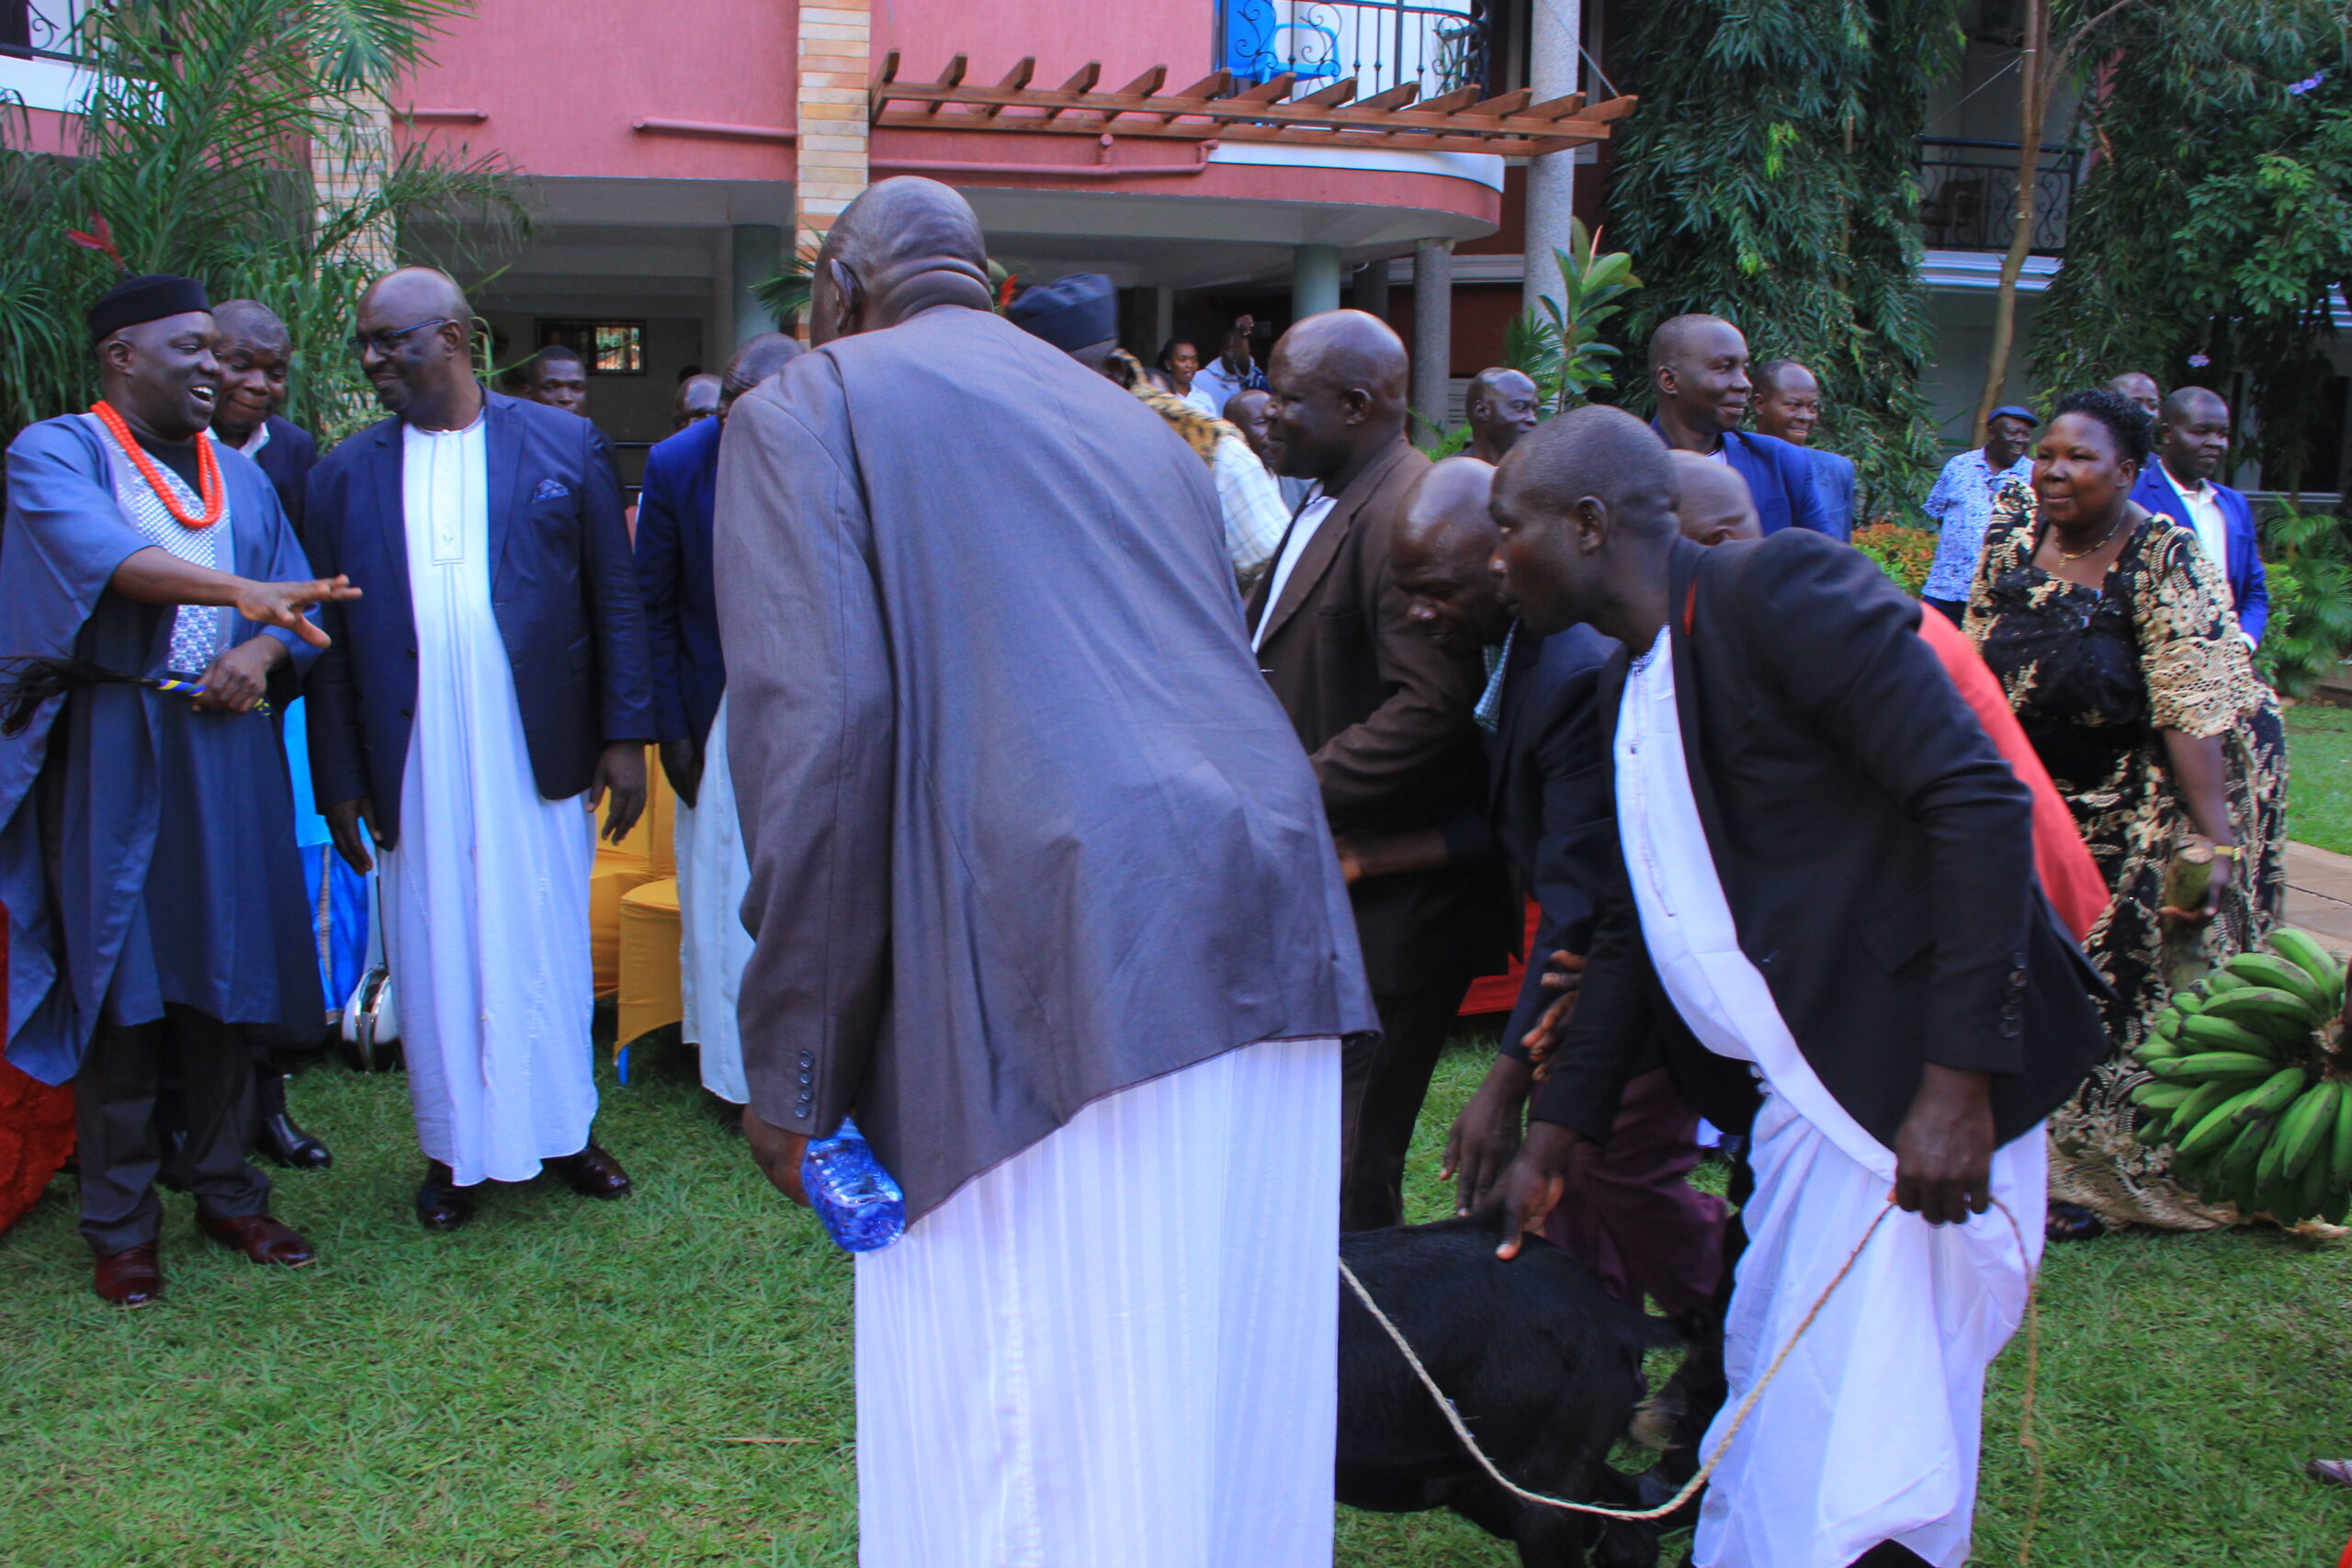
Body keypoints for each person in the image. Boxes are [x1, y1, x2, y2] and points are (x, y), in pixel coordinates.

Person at [718, 175, 1374, 1568]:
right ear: (989, 283)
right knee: (1222, 1401)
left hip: (1054, 966)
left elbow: (824, 735)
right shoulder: (1142, 426)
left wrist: (794, 1072)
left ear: (837, 293)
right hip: (1262, 919)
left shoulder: (808, 399)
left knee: (1030, 1440)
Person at [1487, 403, 2109, 1568]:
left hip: (1897, 1097)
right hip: (1804, 1104)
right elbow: (1637, 924)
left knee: (1863, 1442)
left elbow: (1975, 801)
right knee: (1789, 1413)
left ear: (1581, 525)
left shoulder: (1777, 592)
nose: (1491, 557)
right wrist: (1558, 1132)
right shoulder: (1635, 680)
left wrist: (1953, 1082)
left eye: (1504, 525)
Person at [0, 274, 363, 1304]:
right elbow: (106, 558)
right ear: (121, 356)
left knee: (225, 973)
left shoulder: (240, 480)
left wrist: (258, 650)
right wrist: (240, 593)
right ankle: (118, 1222)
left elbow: (298, 611)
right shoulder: (61, 451)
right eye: (190, 349)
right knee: (123, 981)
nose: (215, 367)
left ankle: (226, 1188)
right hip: (116, 740)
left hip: (225, 750)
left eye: (219, 350)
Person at [304, 266, 655, 1232]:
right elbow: (325, 647)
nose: (372, 360)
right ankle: (454, 1150)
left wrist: (626, 736)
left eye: (390, 341)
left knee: (541, 924)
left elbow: (612, 599)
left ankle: (565, 1129)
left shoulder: (561, 440)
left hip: (533, 745)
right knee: (433, 937)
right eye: (367, 343)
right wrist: (339, 780)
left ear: (453, 339)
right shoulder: (342, 473)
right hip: (409, 753)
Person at [1364, 456, 1728, 1318]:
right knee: (1577, 1200)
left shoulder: (1568, 672)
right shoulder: (1509, 646)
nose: (1419, 614)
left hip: (1636, 980)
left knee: (1615, 1170)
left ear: (1502, 557)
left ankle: (1735, 1325)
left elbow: (1584, 902)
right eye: (1405, 590)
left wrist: (1505, 1081)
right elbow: (1511, 818)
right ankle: (1595, 1369)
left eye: (1438, 590)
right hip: (1602, 961)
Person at [1966, 387, 2286, 1240]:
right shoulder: (2011, 524)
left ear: (2129, 472)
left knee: (2124, 960)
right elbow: (1977, 645)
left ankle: (2098, 1169)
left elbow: (2191, 703)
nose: (2056, 471)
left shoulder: (2161, 554)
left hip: (2158, 773)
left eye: (2080, 459)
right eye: (2048, 455)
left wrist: (2210, 837)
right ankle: (2026, 1139)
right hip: (2043, 773)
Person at [1250, 308, 1516, 1232]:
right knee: (1309, 1147)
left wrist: (1283, 795)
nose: (1265, 411)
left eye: (1286, 397)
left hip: (1395, 914)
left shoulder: (1407, 515)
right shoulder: (1331, 495)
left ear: (1357, 404)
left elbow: (1430, 709)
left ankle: (1367, 1360)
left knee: (1349, 1162)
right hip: (1333, 897)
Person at [635, 330, 804, 1120]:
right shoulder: (677, 464)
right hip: (715, 707)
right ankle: (734, 1073)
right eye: (729, 405)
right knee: (718, 891)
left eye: (754, 405)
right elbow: (655, 609)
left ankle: (806, 1059)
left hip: (810, 704)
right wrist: (671, 726)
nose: (736, 420)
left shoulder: (829, 449)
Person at [205, 297, 351, 1170]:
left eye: (274, 369)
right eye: (237, 364)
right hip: (158, 717)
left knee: (260, 906)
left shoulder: (294, 454)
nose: (257, 384)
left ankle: (265, 1101)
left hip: (264, 714)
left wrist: (268, 665)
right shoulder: (121, 453)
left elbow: (310, 587)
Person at [1008, 274, 1288, 586]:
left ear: (1113, 373)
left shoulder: (1213, 453)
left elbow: (1282, 587)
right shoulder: (1027, 455)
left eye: (1054, 382)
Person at [1645, 314, 1831, 538]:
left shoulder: (1782, 463)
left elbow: (1828, 567)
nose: (1744, 384)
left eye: (1744, 369)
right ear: (1669, 381)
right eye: (1724, 368)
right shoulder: (1630, 469)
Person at [2131, 386, 2267, 645]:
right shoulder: (2134, 499)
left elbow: (2254, 588)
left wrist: (2245, 641)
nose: (2215, 442)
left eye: (2222, 434)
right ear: (2167, 433)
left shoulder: (2235, 504)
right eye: (2201, 432)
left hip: (2228, 663)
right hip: (2156, 663)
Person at [1919, 403, 2037, 624]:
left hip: (2000, 597)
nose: (2020, 439)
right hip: (1946, 589)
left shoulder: (2034, 476)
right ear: (1991, 432)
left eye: (2026, 434)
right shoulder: (1958, 466)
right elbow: (1938, 514)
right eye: (2013, 432)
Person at [1750, 357, 1856, 541]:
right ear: (1760, 404)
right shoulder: (1728, 466)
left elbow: (1842, 552)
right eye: (1794, 406)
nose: (1805, 416)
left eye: (1812, 407)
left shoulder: (1837, 470)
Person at [1224, 386, 1312, 512]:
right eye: (1261, 423)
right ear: (1234, 432)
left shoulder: (1300, 479)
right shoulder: (1225, 490)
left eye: (1276, 420)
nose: (1274, 431)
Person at [1190, 311, 1268, 416]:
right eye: (1231, 348)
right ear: (1221, 351)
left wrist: (1243, 334)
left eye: (1239, 349)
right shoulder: (1199, 379)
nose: (1235, 354)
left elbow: (1242, 364)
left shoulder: (1254, 379)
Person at [1464, 367, 1541, 465]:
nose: (1532, 419)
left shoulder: (1539, 475)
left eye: (1535, 411)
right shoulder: (1450, 474)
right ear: (1481, 411)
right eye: (1520, 407)